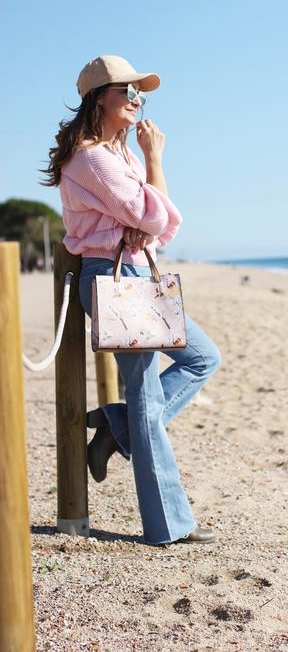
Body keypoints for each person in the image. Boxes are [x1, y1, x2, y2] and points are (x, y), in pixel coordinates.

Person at [41, 55, 222, 546]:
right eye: (129, 91)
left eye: (140, 93)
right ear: (101, 96)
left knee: (203, 357)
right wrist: (158, 161)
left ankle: (115, 427)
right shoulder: (93, 159)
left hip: (136, 276)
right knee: (146, 395)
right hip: (116, 278)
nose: (138, 100)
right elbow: (154, 218)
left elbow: (155, 222)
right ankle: (168, 525)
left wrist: (145, 171)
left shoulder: (117, 155)